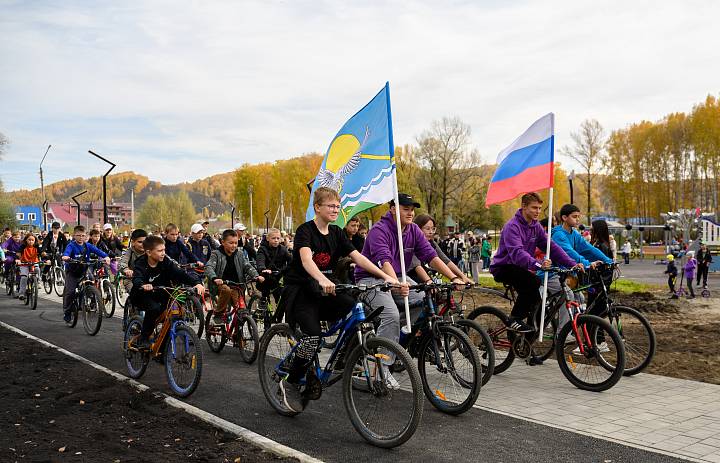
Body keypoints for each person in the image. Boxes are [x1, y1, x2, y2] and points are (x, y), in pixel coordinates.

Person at [277, 187, 398, 413]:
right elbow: (306, 260)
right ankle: (291, 382)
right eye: (331, 206)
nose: (335, 209)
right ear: (318, 207)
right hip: (303, 290)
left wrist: (387, 277)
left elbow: (359, 257)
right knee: (312, 338)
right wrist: (323, 279)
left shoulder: (337, 232)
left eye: (337, 206)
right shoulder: (305, 231)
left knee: (355, 310)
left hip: (326, 289)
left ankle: (342, 359)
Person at [356, 195, 466, 383]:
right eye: (405, 208)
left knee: (426, 298)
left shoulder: (413, 229)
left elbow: (432, 256)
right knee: (390, 314)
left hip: (398, 277)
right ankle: (381, 369)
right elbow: (384, 261)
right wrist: (395, 282)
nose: (411, 212)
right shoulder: (378, 230)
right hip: (371, 278)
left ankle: (393, 340)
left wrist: (454, 277)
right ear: (392, 209)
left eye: (412, 209)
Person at [490, 193, 576, 333]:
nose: (538, 211)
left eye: (540, 208)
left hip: (521, 268)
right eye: (534, 208)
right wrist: (538, 264)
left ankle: (529, 336)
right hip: (504, 267)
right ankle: (514, 318)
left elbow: (551, 247)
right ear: (523, 206)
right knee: (533, 282)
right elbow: (517, 253)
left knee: (538, 304)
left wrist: (571, 263)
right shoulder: (512, 226)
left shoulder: (536, 226)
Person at [130, 235, 204, 349]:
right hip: (142, 295)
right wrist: (142, 285)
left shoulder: (165, 261)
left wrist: (196, 283)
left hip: (162, 293)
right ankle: (144, 338)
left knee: (172, 317)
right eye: (160, 251)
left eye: (164, 250)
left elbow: (179, 273)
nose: (163, 253)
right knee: (154, 309)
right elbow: (137, 278)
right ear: (149, 252)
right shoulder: (141, 263)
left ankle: (162, 351)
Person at [205, 229, 262, 324]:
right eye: (231, 243)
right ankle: (218, 313)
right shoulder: (216, 254)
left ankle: (238, 335)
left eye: (236, 243)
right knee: (226, 290)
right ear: (223, 242)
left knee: (241, 311)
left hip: (236, 285)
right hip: (221, 285)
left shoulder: (239, 254)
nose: (234, 245)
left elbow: (247, 266)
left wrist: (256, 276)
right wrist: (214, 278)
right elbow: (209, 267)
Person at [62, 226, 110, 323]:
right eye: (78, 235)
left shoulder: (88, 246)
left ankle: (88, 298)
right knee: (70, 292)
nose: (81, 237)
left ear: (86, 236)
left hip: (84, 269)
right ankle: (67, 312)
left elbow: (99, 251)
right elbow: (66, 253)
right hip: (72, 271)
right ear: (74, 236)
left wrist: (106, 257)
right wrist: (66, 257)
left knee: (91, 281)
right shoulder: (71, 245)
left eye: (83, 235)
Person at [408, 214, 473, 285]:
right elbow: (417, 266)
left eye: (433, 228)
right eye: (427, 228)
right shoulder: (411, 242)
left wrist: (462, 277)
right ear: (417, 229)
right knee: (420, 295)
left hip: (428, 276)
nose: (431, 232)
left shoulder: (432, 243)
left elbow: (446, 260)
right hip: (411, 278)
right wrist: (428, 281)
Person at [255, 228, 292, 307]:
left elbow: (291, 260)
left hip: (278, 276)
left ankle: (278, 317)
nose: (276, 240)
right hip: (266, 277)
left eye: (278, 238)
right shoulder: (262, 249)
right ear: (268, 238)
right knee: (265, 299)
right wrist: (263, 269)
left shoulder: (282, 249)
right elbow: (260, 260)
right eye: (273, 238)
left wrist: (286, 270)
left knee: (280, 299)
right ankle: (263, 313)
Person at [118, 228, 148, 294]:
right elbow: (122, 262)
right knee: (137, 294)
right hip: (131, 279)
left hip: (147, 279)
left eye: (145, 242)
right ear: (133, 242)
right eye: (140, 242)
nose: (143, 244)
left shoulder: (150, 252)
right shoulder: (129, 252)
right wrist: (126, 270)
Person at [15, 233, 40, 301]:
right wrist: (17, 259)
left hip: (34, 262)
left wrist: (46, 259)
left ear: (35, 241)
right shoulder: (23, 246)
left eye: (32, 240)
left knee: (37, 269)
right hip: (24, 263)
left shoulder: (37, 246)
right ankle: (21, 293)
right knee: (24, 277)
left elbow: (41, 253)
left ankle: (37, 281)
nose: (31, 241)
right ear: (26, 240)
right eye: (29, 240)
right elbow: (18, 253)